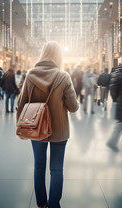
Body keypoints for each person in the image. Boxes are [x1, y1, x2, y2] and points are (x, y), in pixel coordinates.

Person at [17, 42, 79, 208]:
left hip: (35, 128)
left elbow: (21, 103)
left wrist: (21, 126)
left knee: (39, 165)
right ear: (59, 56)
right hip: (59, 130)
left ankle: (41, 203)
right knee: (57, 169)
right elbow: (73, 107)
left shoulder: (30, 75)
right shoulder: (63, 76)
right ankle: (54, 205)